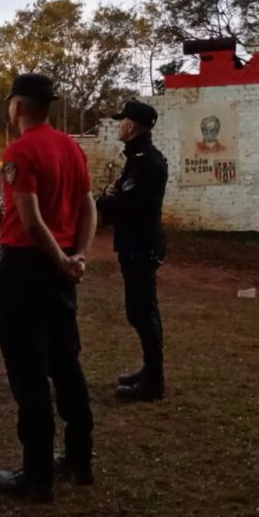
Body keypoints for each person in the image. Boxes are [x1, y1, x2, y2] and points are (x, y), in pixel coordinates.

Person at [0, 73, 98, 502]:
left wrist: (59, 260)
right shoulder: (72, 146)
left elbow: (32, 224)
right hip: (60, 272)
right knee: (66, 364)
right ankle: (79, 458)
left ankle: (36, 476)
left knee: (29, 375)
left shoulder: (20, 150)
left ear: (18, 105)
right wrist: (78, 258)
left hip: (25, 271)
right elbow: (90, 207)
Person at [96, 100, 168, 401]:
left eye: (121, 120)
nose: (118, 125)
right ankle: (151, 372)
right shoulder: (141, 158)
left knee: (142, 312)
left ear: (132, 125)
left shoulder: (144, 161)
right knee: (142, 311)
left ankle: (153, 380)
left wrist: (98, 203)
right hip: (138, 243)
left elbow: (129, 206)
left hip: (140, 244)